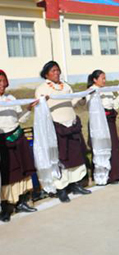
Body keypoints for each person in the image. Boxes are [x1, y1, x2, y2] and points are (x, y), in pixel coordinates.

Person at [35, 61, 91, 203]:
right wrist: (42, 101)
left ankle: (76, 184)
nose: (57, 73)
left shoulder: (66, 86)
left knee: (75, 156)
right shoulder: (42, 89)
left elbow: (71, 102)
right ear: (46, 74)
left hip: (71, 124)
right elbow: (40, 109)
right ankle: (61, 189)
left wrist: (82, 97)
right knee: (61, 159)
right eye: (53, 71)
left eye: (58, 70)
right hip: (56, 127)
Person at [0, 70, 38, 221]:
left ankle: (22, 201)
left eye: (3, 80)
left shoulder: (11, 98)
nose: (1, 84)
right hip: (2, 140)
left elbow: (20, 119)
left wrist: (28, 108)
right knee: (7, 172)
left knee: (22, 169)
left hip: (17, 136)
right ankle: (7, 205)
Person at [86, 70, 119, 185]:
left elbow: (114, 104)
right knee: (102, 147)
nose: (104, 80)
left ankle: (115, 174)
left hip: (110, 120)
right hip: (99, 122)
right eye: (102, 78)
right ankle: (103, 175)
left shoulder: (107, 90)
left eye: (105, 78)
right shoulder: (91, 91)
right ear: (95, 79)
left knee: (113, 145)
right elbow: (90, 106)